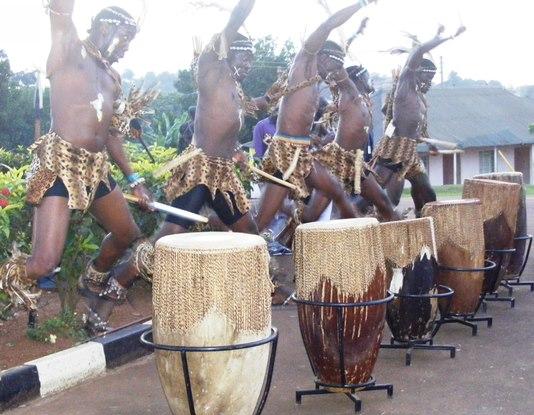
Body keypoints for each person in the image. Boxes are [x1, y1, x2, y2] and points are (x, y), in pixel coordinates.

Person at [91, 0, 282, 316]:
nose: (248, 63)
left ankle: (255, 292)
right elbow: (233, 21)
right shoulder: (210, 67)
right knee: (167, 241)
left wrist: (270, 99)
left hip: (223, 175)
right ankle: (108, 296)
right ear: (226, 50)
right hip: (199, 171)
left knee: (250, 234)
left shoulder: (235, 87)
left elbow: (246, 110)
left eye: (252, 58)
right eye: (243, 55)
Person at [0, 1, 153, 333]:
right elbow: (61, 8)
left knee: (128, 233)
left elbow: (112, 136)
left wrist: (135, 180)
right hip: (59, 163)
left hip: (95, 170)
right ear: (103, 28)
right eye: (123, 40)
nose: (125, 51)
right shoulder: (67, 49)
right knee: (43, 263)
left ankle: (93, 278)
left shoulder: (112, 78)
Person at [254, 2, 375, 232]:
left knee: (336, 191)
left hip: (302, 153)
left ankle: (355, 240)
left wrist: (315, 139)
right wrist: (361, 4)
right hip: (284, 154)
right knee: (260, 223)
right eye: (334, 65)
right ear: (323, 55)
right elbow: (329, 24)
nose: (334, 73)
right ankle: (229, 236)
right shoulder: (305, 60)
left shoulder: (314, 81)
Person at [372, 25, 466, 215]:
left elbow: (419, 126)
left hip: (410, 153)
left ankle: (422, 220)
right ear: (415, 71)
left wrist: (429, 143)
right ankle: (366, 219)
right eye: (427, 77)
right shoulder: (405, 83)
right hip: (395, 149)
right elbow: (419, 51)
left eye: (432, 78)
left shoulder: (420, 97)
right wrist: (443, 37)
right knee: (389, 198)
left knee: (427, 192)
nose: (429, 82)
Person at [303, 64, 400, 222]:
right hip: (336, 161)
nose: (371, 80)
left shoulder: (362, 100)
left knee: (383, 203)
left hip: (355, 162)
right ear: (359, 79)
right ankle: (288, 233)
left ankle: (399, 240)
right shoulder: (350, 93)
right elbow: (339, 70)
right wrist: (333, 59)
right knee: (313, 215)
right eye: (367, 76)